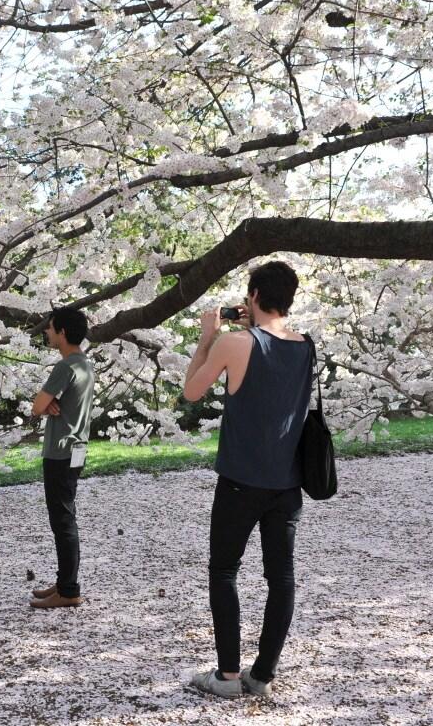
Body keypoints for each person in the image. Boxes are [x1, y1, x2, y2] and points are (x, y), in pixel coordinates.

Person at [182, 261, 314, 698]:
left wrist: (207, 338)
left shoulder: (235, 343)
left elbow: (191, 392)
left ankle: (227, 676)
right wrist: (254, 318)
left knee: (224, 571)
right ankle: (262, 675)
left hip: (240, 480)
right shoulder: (306, 346)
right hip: (287, 482)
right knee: (282, 577)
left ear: (254, 294)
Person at [28, 306, 96, 609]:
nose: (47, 332)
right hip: (76, 450)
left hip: (60, 452)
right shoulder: (84, 364)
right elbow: (48, 404)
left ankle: (69, 590)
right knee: (65, 518)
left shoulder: (65, 367)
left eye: (51, 328)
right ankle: (64, 581)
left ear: (63, 333)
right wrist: (51, 403)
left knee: (63, 521)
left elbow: (36, 406)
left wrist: (47, 402)